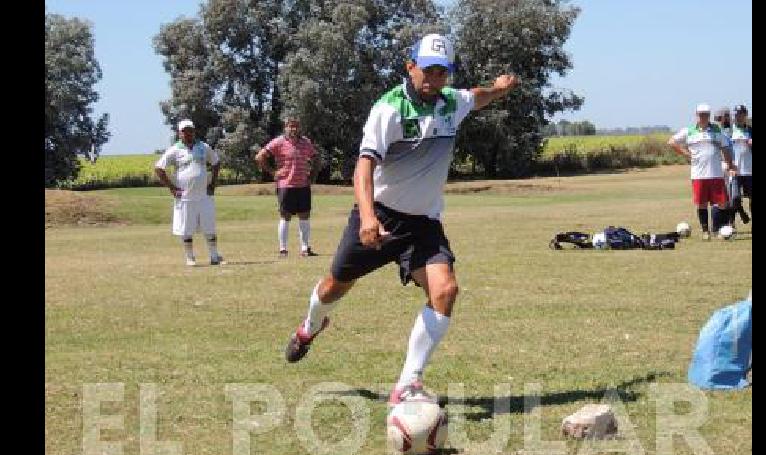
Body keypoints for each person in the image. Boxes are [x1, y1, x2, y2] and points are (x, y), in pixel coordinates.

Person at [282, 33, 520, 407]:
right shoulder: (389, 109)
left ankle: (408, 383)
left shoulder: (451, 102)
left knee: (445, 291)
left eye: (442, 71)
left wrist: (500, 88)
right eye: (427, 69)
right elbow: (363, 168)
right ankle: (310, 327)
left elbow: (478, 96)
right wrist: (366, 217)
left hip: (423, 224)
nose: (433, 77)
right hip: (380, 216)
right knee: (333, 287)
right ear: (410, 66)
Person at [154, 119, 225, 266]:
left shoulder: (203, 147)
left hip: (204, 195)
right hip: (185, 197)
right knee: (186, 228)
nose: (188, 133)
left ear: (194, 131)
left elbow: (216, 162)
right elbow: (159, 168)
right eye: (184, 131)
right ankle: (190, 257)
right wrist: (172, 188)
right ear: (179, 133)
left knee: (209, 226)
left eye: (190, 130)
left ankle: (214, 256)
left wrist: (213, 183)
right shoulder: (175, 150)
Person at [255, 117, 321, 257]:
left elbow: (316, 157)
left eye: (296, 126)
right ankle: (283, 250)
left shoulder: (306, 142)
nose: (294, 129)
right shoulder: (279, 142)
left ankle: (305, 249)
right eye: (291, 126)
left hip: (303, 185)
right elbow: (260, 157)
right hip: (286, 185)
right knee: (285, 216)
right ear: (285, 127)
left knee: (305, 216)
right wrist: (273, 172)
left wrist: (312, 175)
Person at [668, 103, 737, 239]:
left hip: (716, 173)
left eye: (705, 114)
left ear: (709, 115)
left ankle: (720, 229)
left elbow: (725, 148)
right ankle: (706, 231)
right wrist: (685, 153)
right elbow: (671, 142)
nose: (703, 117)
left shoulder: (716, 130)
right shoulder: (689, 131)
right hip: (698, 175)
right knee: (702, 204)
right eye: (700, 115)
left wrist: (730, 164)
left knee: (722, 203)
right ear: (696, 115)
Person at [729, 104, 752, 225]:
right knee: (735, 198)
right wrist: (729, 166)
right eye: (736, 114)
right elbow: (725, 149)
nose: (739, 117)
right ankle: (736, 219)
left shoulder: (750, 130)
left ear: (745, 116)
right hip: (735, 171)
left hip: (750, 170)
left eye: (741, 114)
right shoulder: (729, 131)